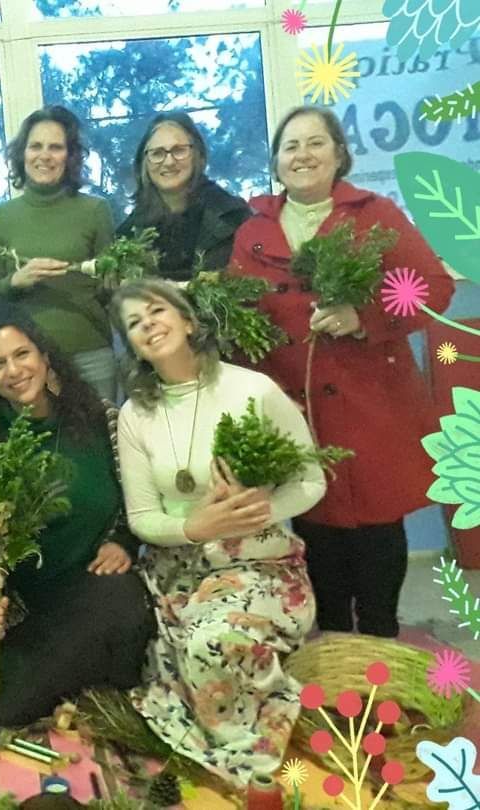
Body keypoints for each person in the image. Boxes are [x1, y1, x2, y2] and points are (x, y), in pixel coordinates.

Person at [228, 105, 454, 638]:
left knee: (377, 523)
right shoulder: (253, 230)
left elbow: (433, 290)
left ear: (338, 154)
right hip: (293, 405)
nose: (302, 155)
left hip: (372, 402)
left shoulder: (376, 215)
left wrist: (365, 316)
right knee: (312, 521)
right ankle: (330, 642)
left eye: (315, 143)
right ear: (276, 161)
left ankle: (379, 636)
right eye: (290, 146)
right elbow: (239, 321)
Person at [112, 279, 325, 786]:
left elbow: (313, 478)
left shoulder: (253, 389)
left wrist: (261, 508)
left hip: (258, 559)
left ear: (188, 320)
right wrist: (193, 526)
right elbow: (143, 518)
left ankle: (249, 765)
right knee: (157, 658)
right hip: (177, 568)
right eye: (134, 324)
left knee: (214, 642)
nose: (149, 327)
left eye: (157, 312)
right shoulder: (134, 414)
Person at [0, 304, 153, 727]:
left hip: (93, 591)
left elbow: (136, 498)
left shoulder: (101, 419)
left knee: (124, 603)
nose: (13, 370)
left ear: (45, 356)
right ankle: (81, 683)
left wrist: (123, 541)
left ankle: (85, 680)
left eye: (22, 354)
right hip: (24, 605)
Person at [0, 105, 117, 400]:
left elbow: (112, 287)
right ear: (22, 154)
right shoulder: (3, 216)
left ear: (70, 156)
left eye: (55, 147)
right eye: (36, 146)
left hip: (90, 357)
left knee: (101, 441)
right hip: (25, 365)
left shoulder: (95, 210)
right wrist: (16, 281)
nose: (44, 155)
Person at [116, 112, 250, 281]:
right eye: (157, 154)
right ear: (143, 164)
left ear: (198, 156)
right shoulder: (128, 234)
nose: (169, 162)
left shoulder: (234, 218)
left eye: (179, 151)